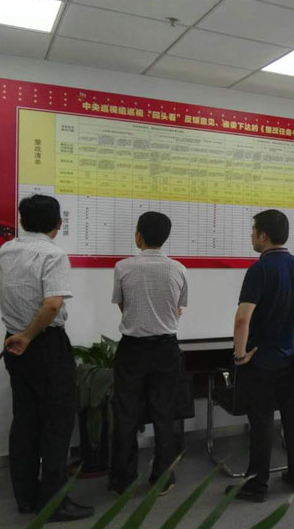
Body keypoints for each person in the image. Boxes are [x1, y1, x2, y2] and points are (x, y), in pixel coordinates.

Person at [0, 194, 94, 521]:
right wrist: (29, 335)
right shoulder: (53, 254)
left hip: (13, 343)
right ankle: (53, 502)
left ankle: (26, 497)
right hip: (43, 344)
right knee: (56, 424)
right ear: (58, 224)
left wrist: (21, 336)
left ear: (22, 221)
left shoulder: (6, 250)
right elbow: (52, 304)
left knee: (25, 421)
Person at [229, 209, 294, 503]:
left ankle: (257, 485)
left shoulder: (259, 270)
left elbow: (242, 318)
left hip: (261, 361)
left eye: (253, 231)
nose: (251, 236)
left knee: (262, 421)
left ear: (264, 236)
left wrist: (240, 355)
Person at [108, 211, 188, 496]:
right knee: (164, 414)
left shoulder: (123, 267)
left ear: (138, 236)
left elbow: (123, 306)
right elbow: (178, 308)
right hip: (166, 348)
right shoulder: (178, 269)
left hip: (132, 348)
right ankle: (163, 478)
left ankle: (122, 480)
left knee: (126, 414)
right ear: (165, 237)